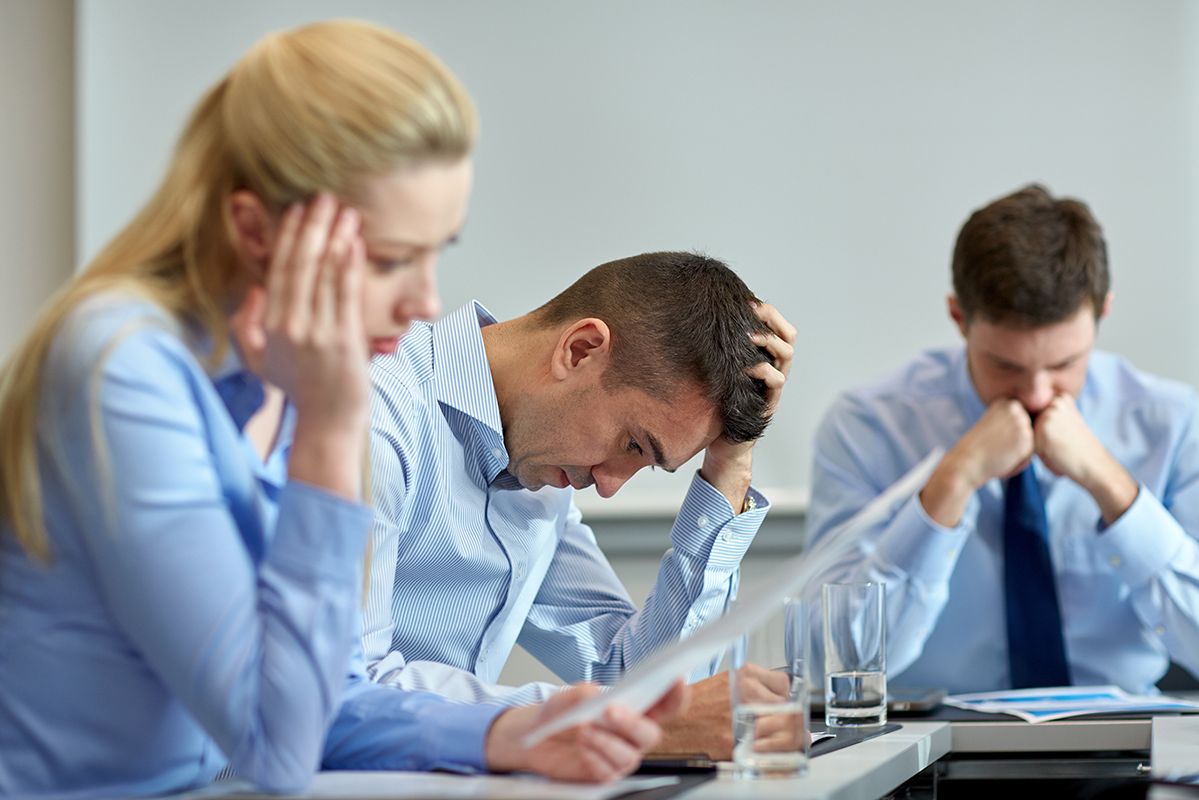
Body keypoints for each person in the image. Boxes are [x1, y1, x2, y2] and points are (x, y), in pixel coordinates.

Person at [0, 20, 685, 798]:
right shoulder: (122, 370)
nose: (426, 299)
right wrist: (330, 427)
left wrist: (501, 733)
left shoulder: (285, 376)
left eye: (436, 252)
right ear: (258, 231)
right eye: (390, 259)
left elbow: (321, 698)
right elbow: (280, 746)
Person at [364, 251, 796, 757]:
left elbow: (641, 683)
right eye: (633, 444)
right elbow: (350, 692)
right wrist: (596, 721)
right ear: (580, 349)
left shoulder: (541, 475)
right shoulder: (374, 412)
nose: (610, 486)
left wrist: (731, 464)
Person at [805, 184, 1199, 694]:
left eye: (1063, 365)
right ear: (958, 317)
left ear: (1103, 313)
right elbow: (834, 663)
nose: (1037, 394)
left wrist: (1112, 488)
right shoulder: (867, 427)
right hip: (930, 755)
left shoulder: (1172, 421)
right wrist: (950, 485)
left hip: (1126, 749)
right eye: (1005, 365)